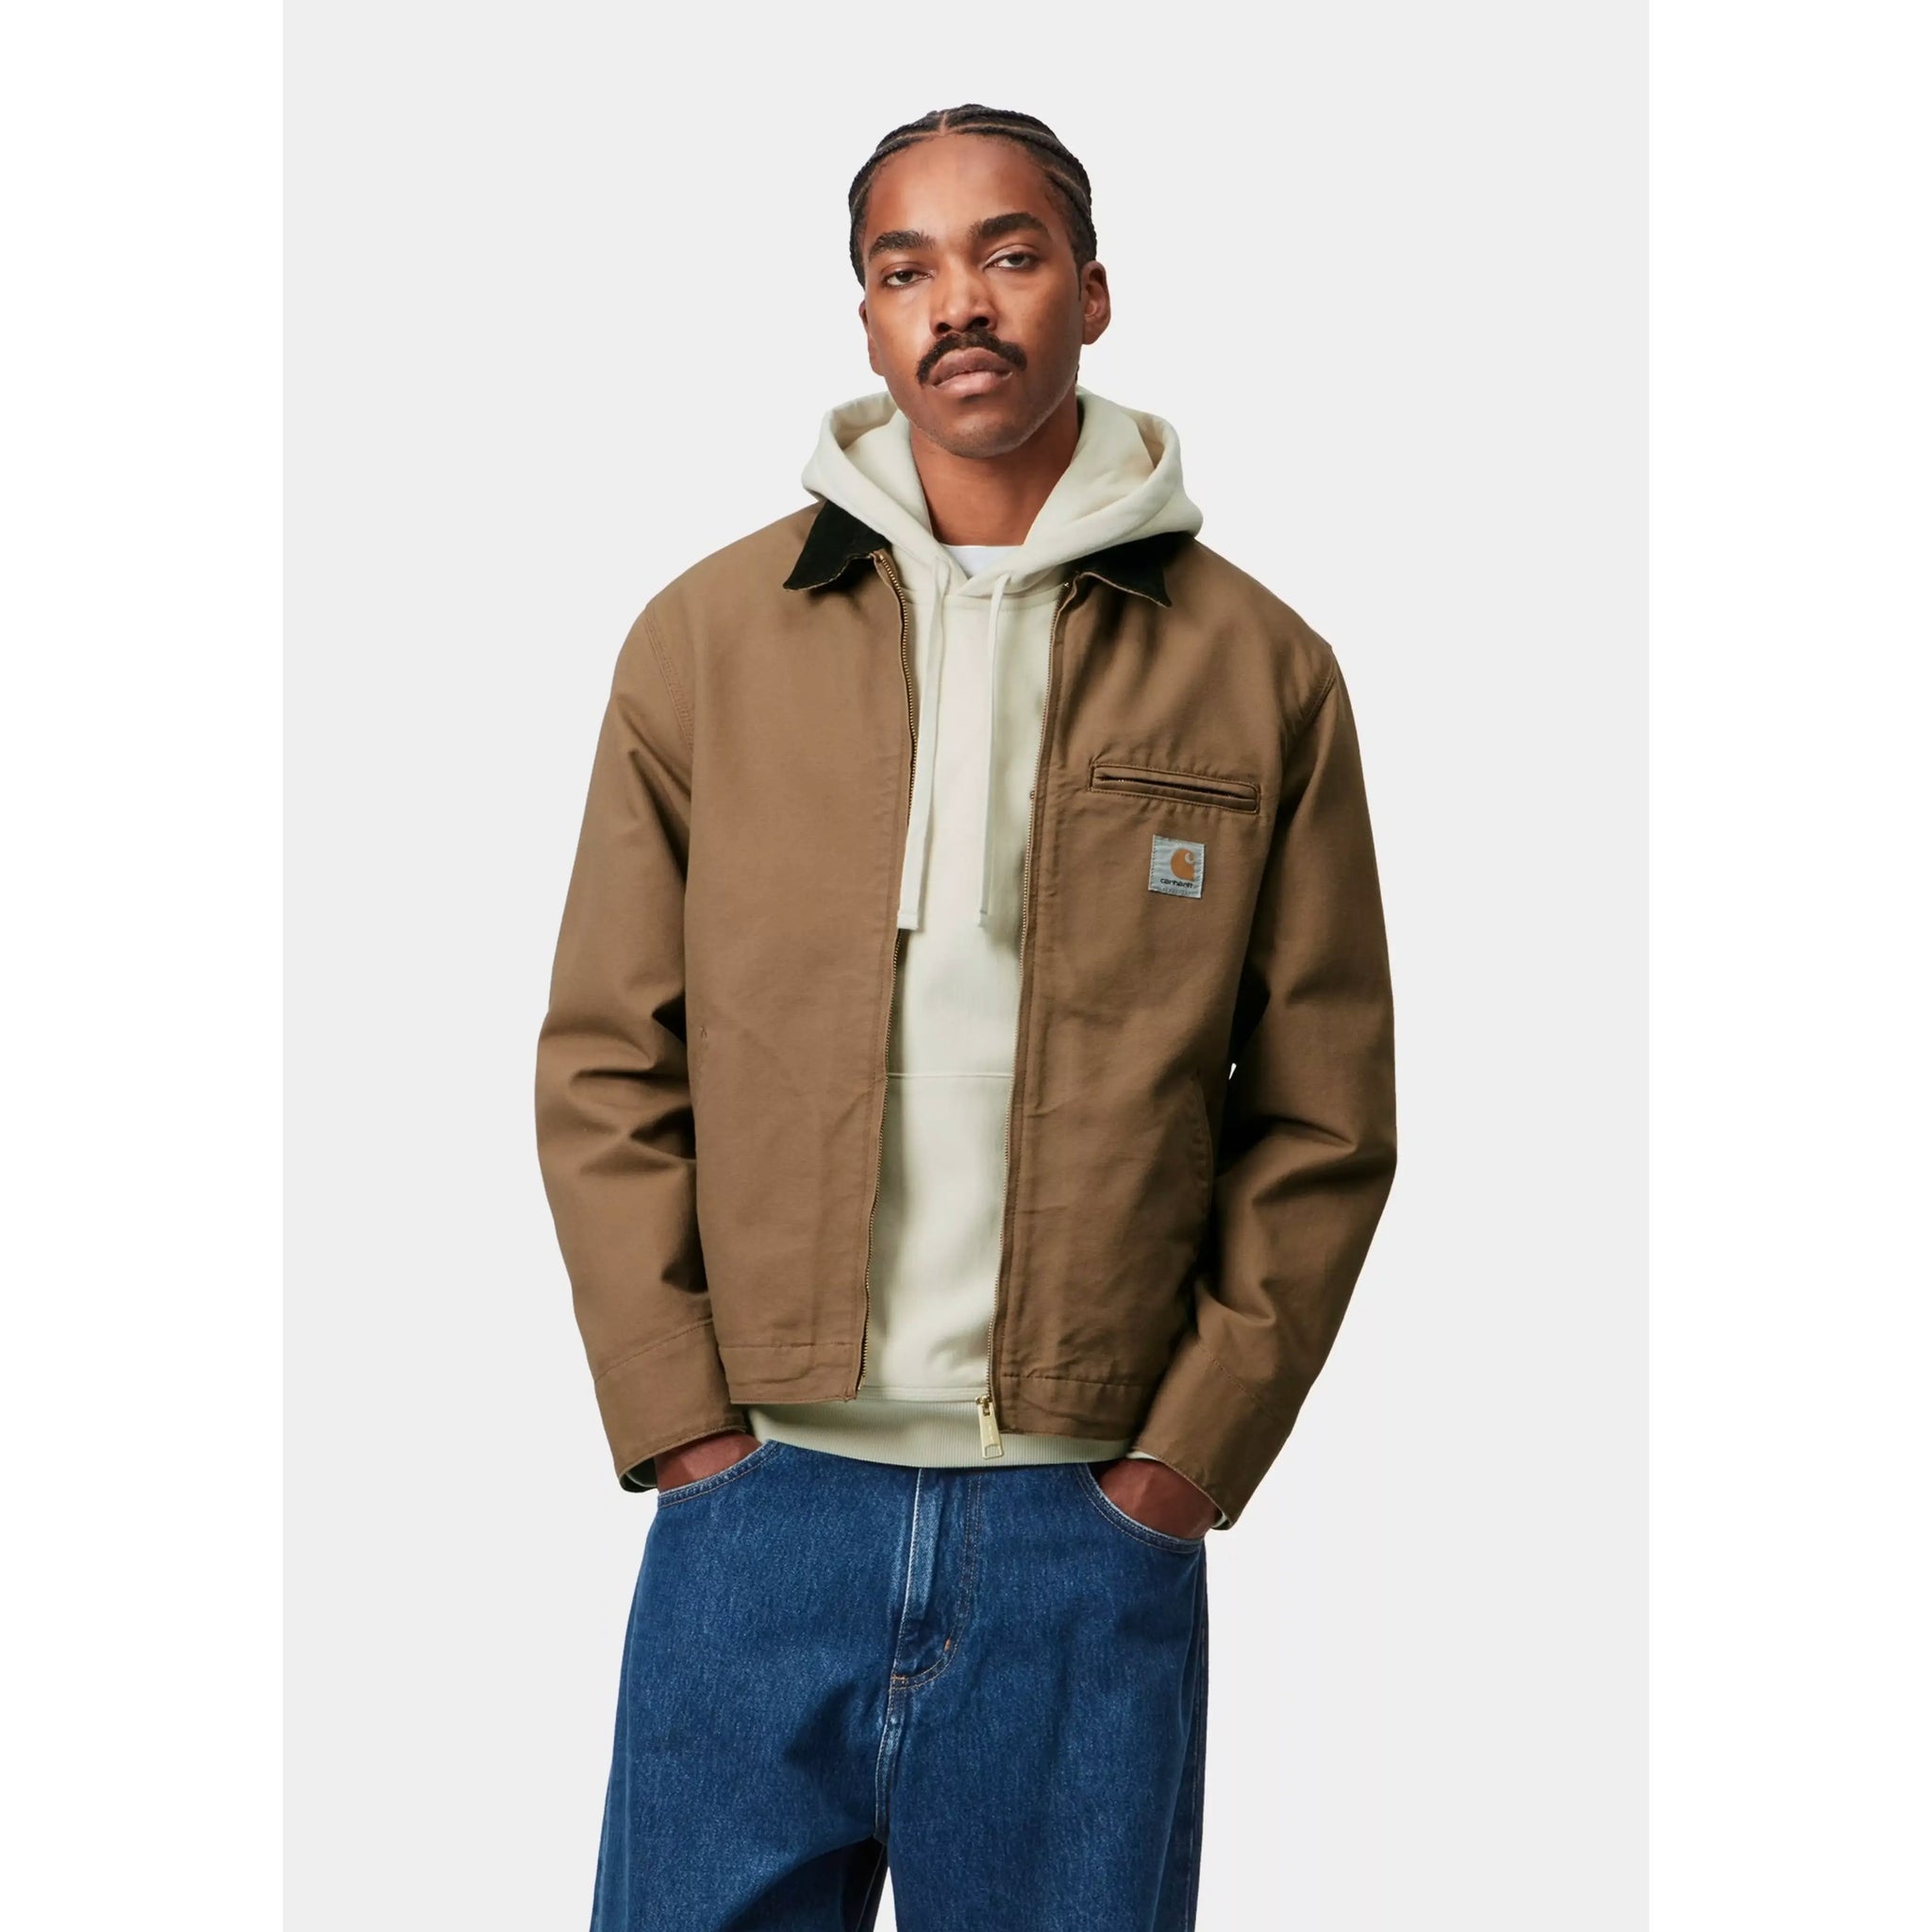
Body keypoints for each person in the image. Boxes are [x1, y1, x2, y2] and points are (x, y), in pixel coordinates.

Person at [535, 102, 1398, 1932]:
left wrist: (1179, 1462)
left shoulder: (1258, 668)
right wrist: (683, 1424)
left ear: (1091, 290)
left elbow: (1323, 1113)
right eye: (904, 266)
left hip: (1083, 1518)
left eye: (1008, 254)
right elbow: (608, 1057)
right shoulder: (707, 640)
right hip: (763, 1499)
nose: (960, 304)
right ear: (864, 316)